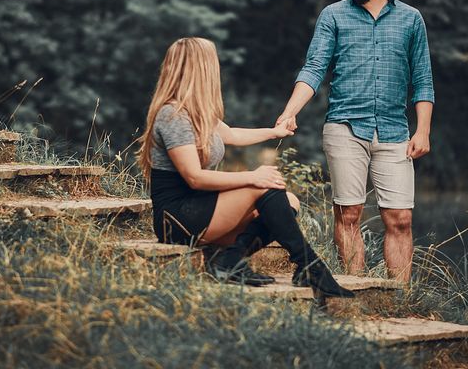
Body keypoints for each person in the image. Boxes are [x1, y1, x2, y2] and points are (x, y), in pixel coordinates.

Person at [137, 37, 354, 297]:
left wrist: (275, 132)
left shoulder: (198, 112)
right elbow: (194, 178)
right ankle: (311, 267)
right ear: (202, 69)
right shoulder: (173, 116)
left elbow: (233, 135)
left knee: (290, 201)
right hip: (177, 219)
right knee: (263, 188)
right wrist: (252, 176)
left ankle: (230, 260)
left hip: (201, 210)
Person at [277, 0, 435, 283]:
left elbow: (423, 80)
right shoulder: (333, 16)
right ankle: (355, 292)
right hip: (345, 128)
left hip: (395, 131)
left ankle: (399, 297)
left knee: (400, 219)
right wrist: (290, 111)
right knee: (348, 214)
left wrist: (422, 130)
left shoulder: (411, 20)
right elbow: (314, 68)